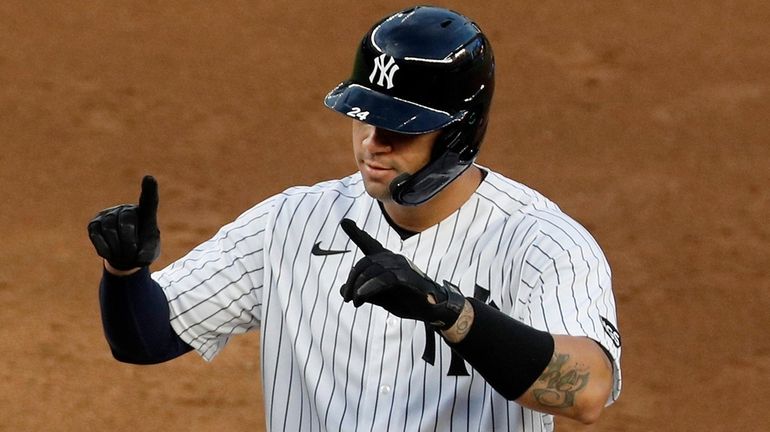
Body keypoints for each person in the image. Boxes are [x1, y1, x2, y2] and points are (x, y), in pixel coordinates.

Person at [88, 5, 621, 431]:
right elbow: (145, 339)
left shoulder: (541, 243)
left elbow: (587, 391)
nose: (373, 144)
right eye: (364, 120)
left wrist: (449, 313)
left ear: (458, 130)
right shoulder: (290, 222)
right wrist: (125, 275)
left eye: (400, 128)